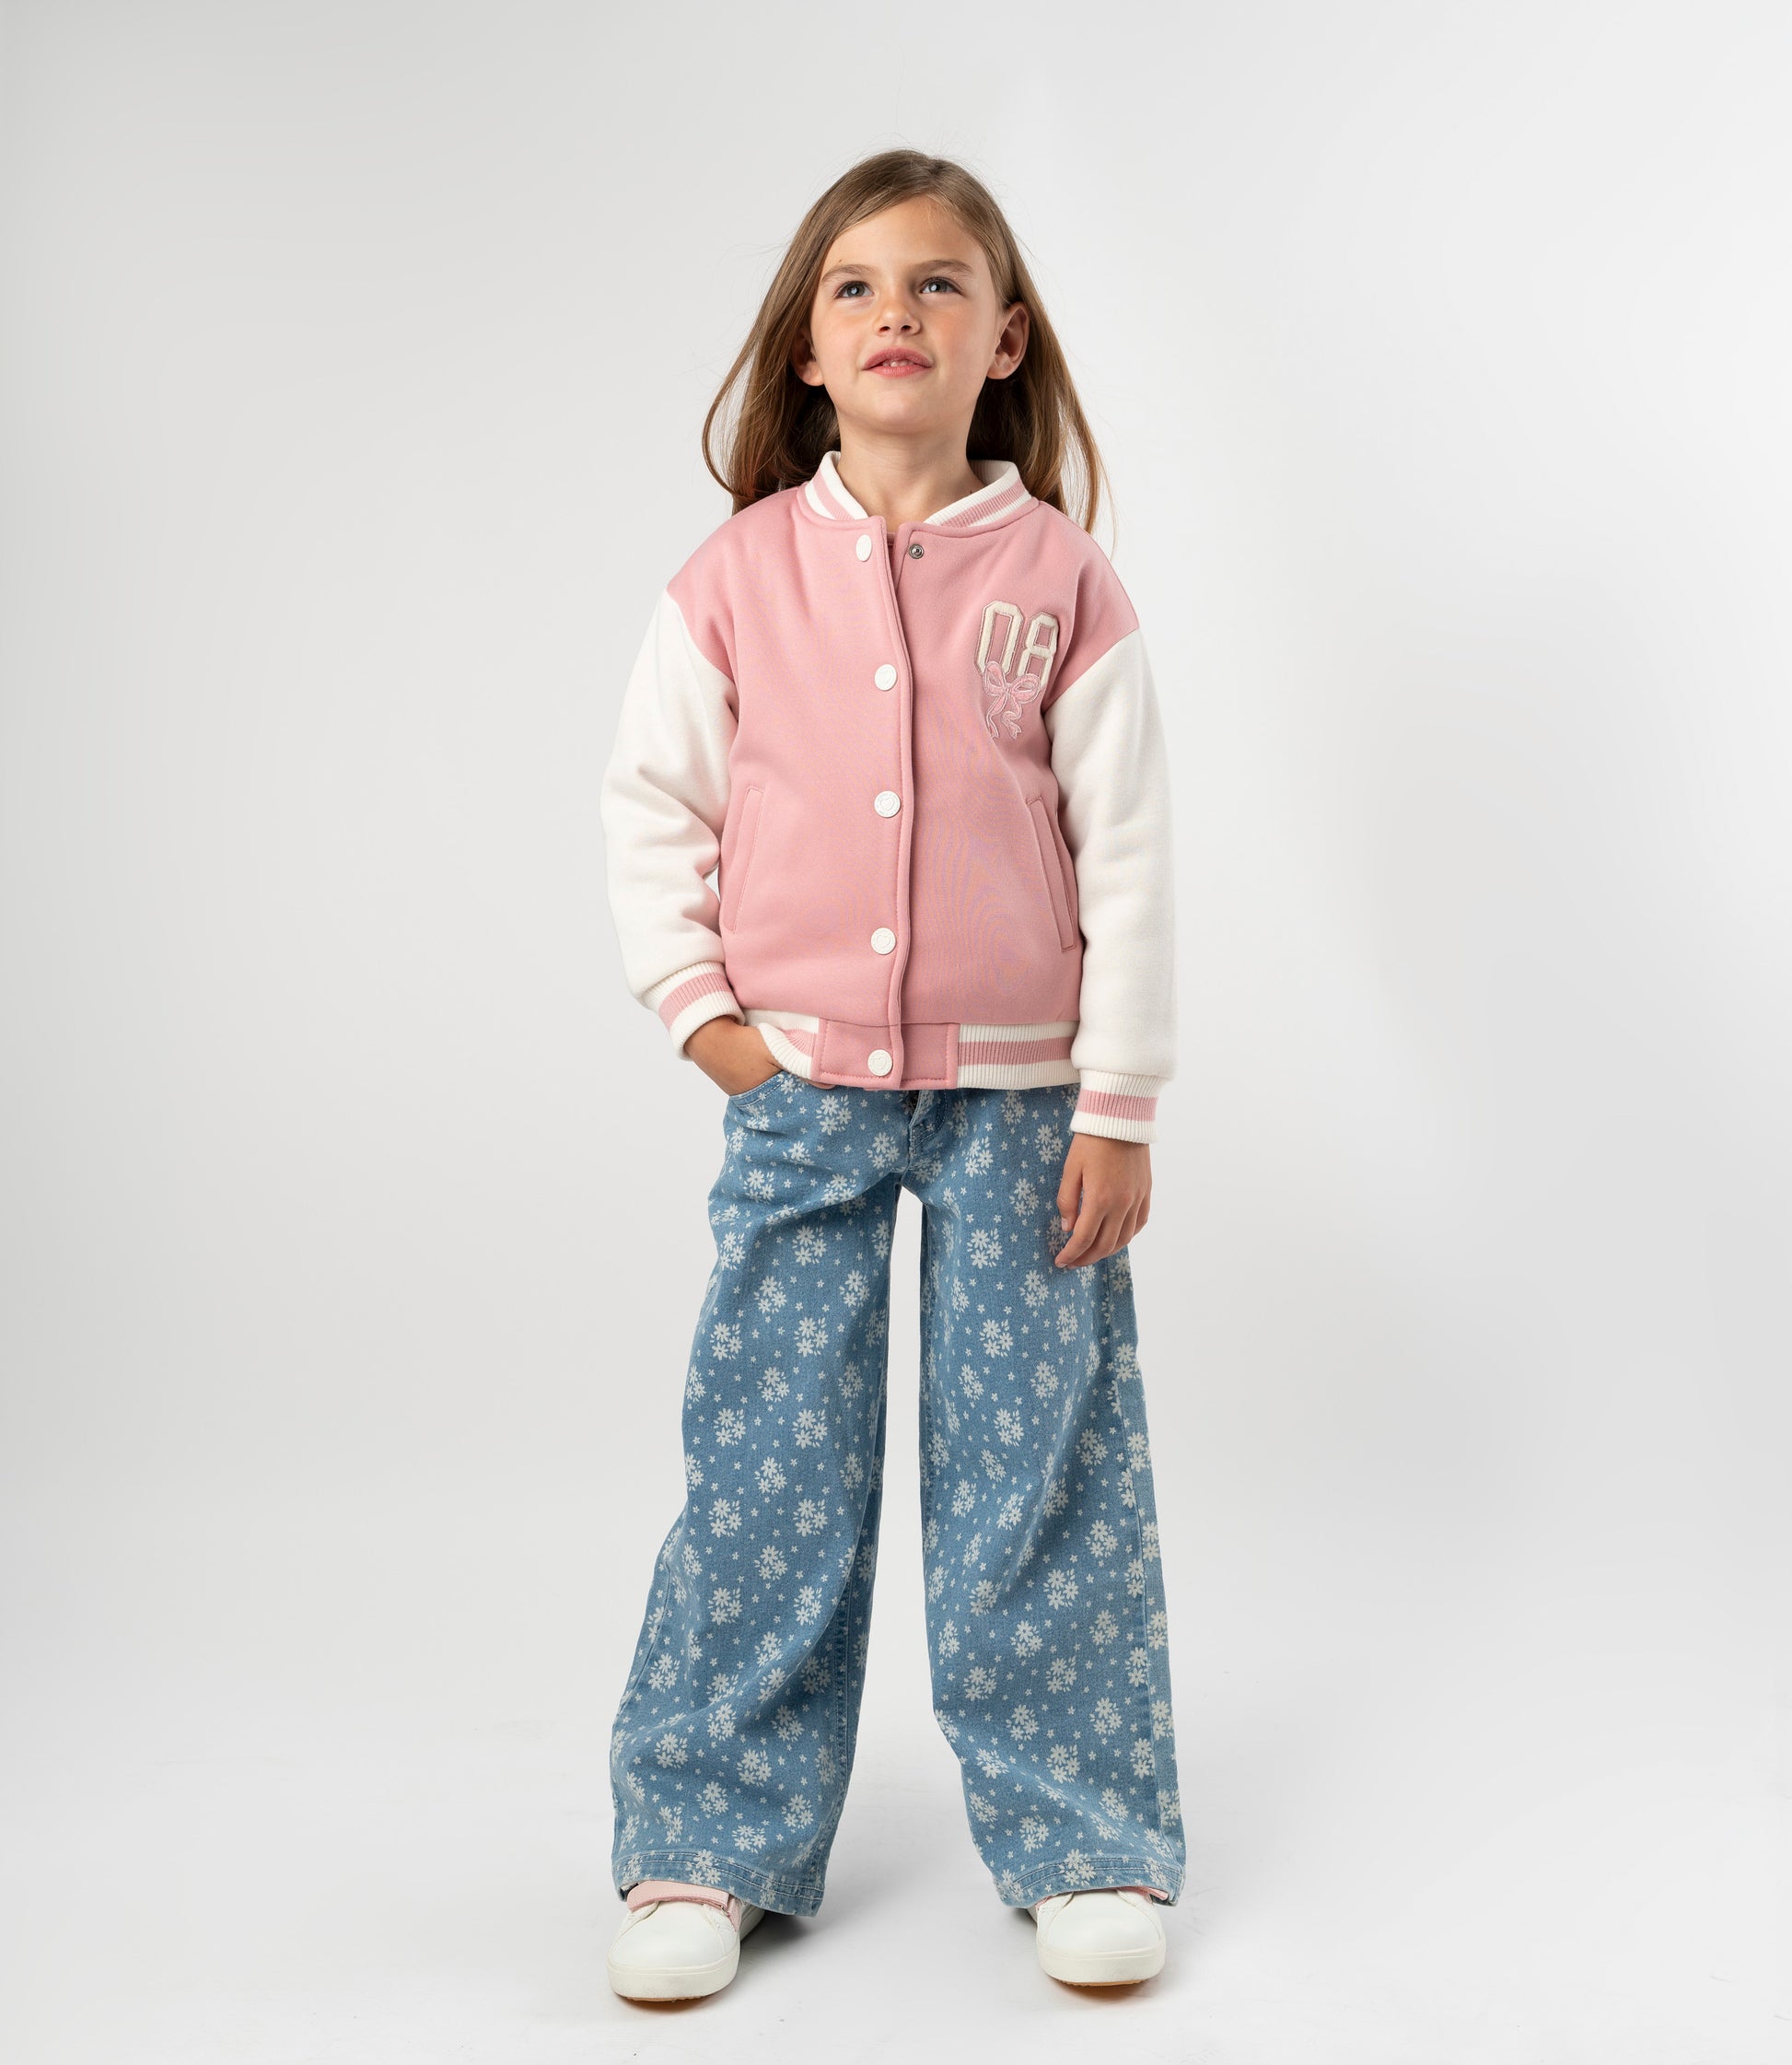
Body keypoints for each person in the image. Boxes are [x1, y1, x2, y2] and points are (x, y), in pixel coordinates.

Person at [597, 146, 1185, 2001]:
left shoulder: (1060, 581)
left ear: (1003, 338)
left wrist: (1119, 1098)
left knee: (1039, 1468)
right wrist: (707, 1020)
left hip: (1025, 1102)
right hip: (801, 1096)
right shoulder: (735, 578)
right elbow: (652, 807)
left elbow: (1129, 851)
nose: (895, 313)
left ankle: (1083, 1826)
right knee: (768, 1463)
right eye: (854, 286)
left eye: (938, 283)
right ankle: (707, 1837)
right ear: (806, 348)